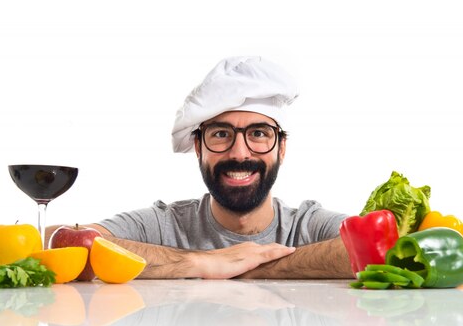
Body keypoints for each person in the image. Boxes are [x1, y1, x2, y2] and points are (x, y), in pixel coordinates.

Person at [48, 56, 353, 279]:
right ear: (198, 147)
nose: (239, 152)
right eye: (221, 134)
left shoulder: (306, 225)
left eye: (259, 134)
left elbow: (386, 246)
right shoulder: (165, 225)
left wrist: (255, 267)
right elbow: (53, 239)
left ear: (281, 148)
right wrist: (198, 262)